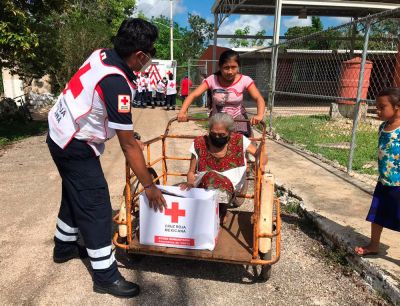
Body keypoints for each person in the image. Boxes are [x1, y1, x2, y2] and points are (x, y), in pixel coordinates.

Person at [47, 18, 166, 298]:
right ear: (140, 55)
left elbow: (108, 111)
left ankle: (64, 246)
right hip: (73, 143)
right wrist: (149, 186)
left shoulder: (102, 54)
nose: (148, 61)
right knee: (97, 206)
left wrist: (126, 130)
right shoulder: (117, 83)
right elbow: (129, 147)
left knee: (75, 192)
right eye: (149, 55)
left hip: (59, 130)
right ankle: (105, 275)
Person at [180, 113, 267, 220]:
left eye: (221, 135)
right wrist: (189, 183)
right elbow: (191, 171)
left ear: (230, 133)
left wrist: (259, 161)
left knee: (215, 180)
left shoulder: (239, 140)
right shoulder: (200, 142)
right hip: (204, 184)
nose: (216, 137)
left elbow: (261, 156)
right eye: (213, 134)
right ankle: (212, 215)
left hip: (230, 186)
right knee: (211, 176)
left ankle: (220, 210)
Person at [178, 49, 266, 137]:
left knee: (246, 144)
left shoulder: (245, 80)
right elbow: (193, 95)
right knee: (217, 145)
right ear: (220, 67)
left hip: (238, 119)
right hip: (218, 121)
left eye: (233, 67)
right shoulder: (212, 79)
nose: (230, 71)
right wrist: (182, 112)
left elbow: (259, 98)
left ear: (238, 66)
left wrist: (259, 115)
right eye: (226, 68)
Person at [355, 88, 400, 256]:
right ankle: (374, 245)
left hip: (399, 185)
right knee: (377, 215)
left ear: (397, 106)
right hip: (384, 181)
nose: (378, 111)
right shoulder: (383, 126)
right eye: (377, 107)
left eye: (382, 107)